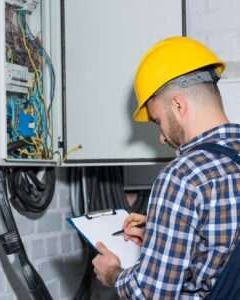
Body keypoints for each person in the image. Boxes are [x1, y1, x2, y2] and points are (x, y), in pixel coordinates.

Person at [92, 36, 240, 299]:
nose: (161, 137)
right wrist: (161, 229)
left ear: (178, 105)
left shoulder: (182, 176)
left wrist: (114, 275)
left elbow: (153, 294)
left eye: (158, 121)